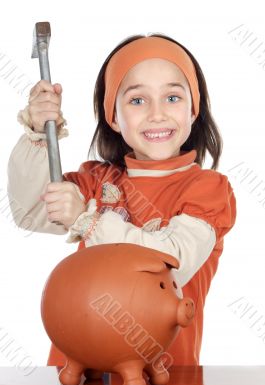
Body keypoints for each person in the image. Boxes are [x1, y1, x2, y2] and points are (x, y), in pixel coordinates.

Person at [7, 33, 236, 367]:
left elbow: (171, 264)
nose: (157, 114)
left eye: (172, 97)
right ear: (113, 117)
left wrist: (88, 220)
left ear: (193, 109)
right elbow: (29, 211)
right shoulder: (96, 181)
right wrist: (40, 134)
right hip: (81, 377)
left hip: (165, 380)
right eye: (137, 101)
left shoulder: (208, 190)